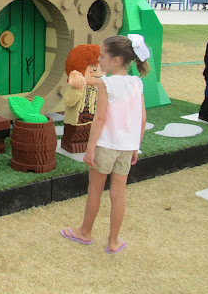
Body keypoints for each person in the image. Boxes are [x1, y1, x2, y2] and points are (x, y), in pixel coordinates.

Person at [61, 34, 150, 254]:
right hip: (126, 148)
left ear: (116, 60)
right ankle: (113, 241)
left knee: (95, 190)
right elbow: (142, 119)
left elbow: (99, 119)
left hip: (105, 146)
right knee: (119, 195)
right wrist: (135, 146)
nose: (99, 60)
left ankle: (85, 232)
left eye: (102, 56)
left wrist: (90, 148)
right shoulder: (136, 83)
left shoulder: (106, 84)